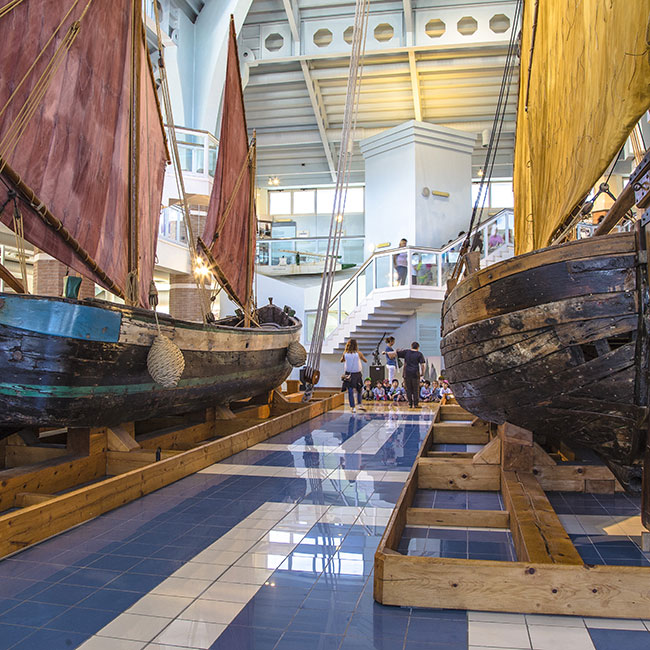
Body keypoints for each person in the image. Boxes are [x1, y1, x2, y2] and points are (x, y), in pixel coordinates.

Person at [340, 339, 367, 413]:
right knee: (359, 389)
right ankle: (359, 404)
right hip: (357, 373)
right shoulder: (358, 353)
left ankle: (352, 407)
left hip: (348, 374)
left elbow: (341, 360)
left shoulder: (345, 353)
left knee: (350, 390)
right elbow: (365, 360)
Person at [397, 342, 426, 408]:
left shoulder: (406, 352)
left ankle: (410, 403)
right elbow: (422, 365)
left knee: (408, 389)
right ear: (418, 347)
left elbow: (397, 353)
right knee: (416, 389)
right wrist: (422, 373)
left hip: (407, 374)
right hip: (415, 374)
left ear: (411, 346)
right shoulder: (419, 354)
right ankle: (416, 404)